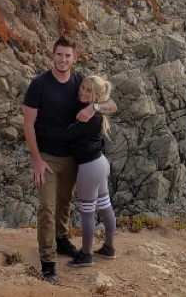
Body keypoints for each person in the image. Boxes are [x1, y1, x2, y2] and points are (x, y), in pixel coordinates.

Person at [23, 37, 116, 283]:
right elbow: (28, 124)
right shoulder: (39, 84)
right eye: (59, 55)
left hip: (73, 159)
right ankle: (48, 262)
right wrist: (36, 160)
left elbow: (112, 104)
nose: (63, 60)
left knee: (64, 203)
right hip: (47, 158)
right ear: (52, 55)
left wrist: (94, 108)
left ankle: (61, 239)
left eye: (68, 56)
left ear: (74, 58)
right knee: (47, 207)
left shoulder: (80, 81)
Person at [34, 75, 117, 268]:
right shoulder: (92, 111)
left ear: (97, 96)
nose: (83, 92)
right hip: (100, 163)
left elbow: (66, 135)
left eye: (89, 90)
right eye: (83, 87)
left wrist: (40, 128)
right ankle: (109, 248)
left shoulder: (91, 117)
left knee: (87, 212)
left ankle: (86, 255)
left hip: (89, 167)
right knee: (105, 206)